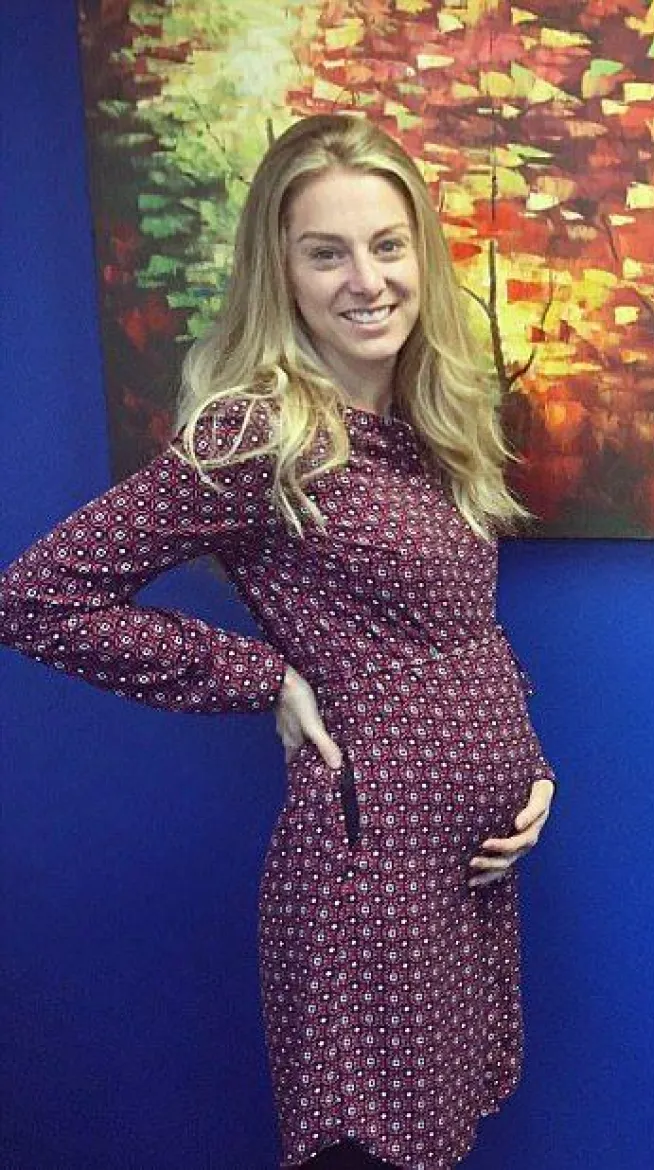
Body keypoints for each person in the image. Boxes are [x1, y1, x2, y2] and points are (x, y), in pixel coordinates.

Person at [0, 113, 556, 1169]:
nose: (367, 280)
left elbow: (458, 631)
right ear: (282, 274)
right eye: (326, 253)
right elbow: (35, 598)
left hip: (465, 880)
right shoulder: (257, 433)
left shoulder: (429, 421)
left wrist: (527, 769)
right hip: (368, 886)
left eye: (388, 245)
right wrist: (261, 675)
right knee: (367, 1150)